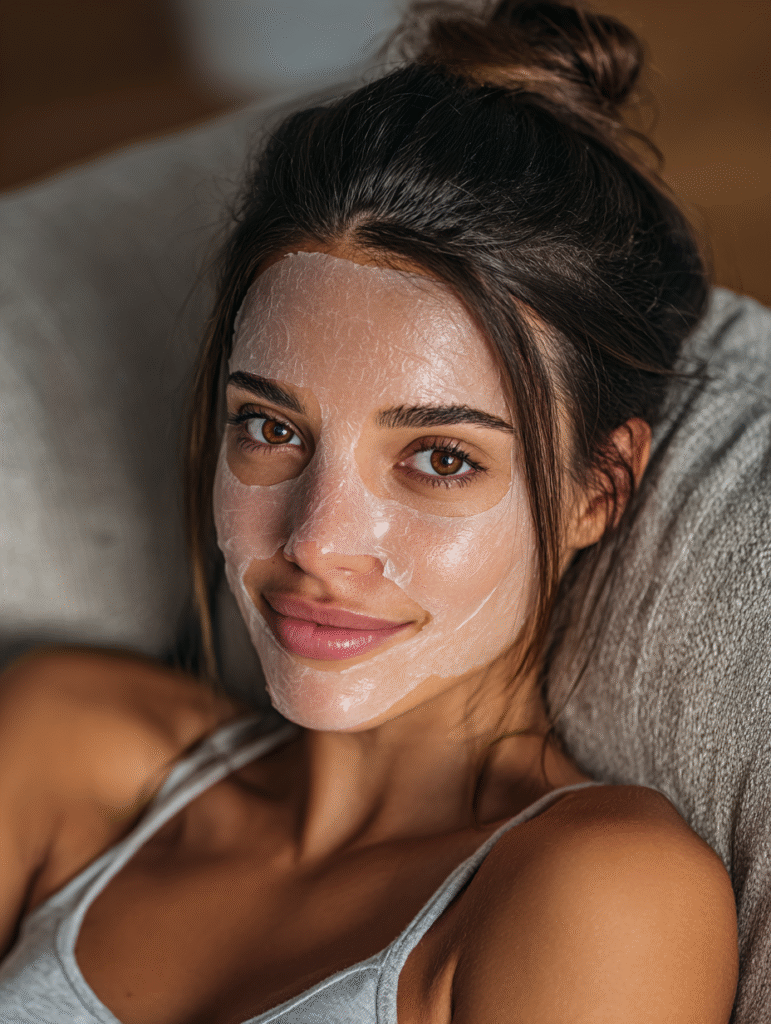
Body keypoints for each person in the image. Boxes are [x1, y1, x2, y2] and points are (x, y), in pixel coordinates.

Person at [0, 1, 739, 1021]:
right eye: (270, 428)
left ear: (595, 490)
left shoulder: (597, 891)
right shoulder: (60, 746)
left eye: (439, 458)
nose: (316, 541)